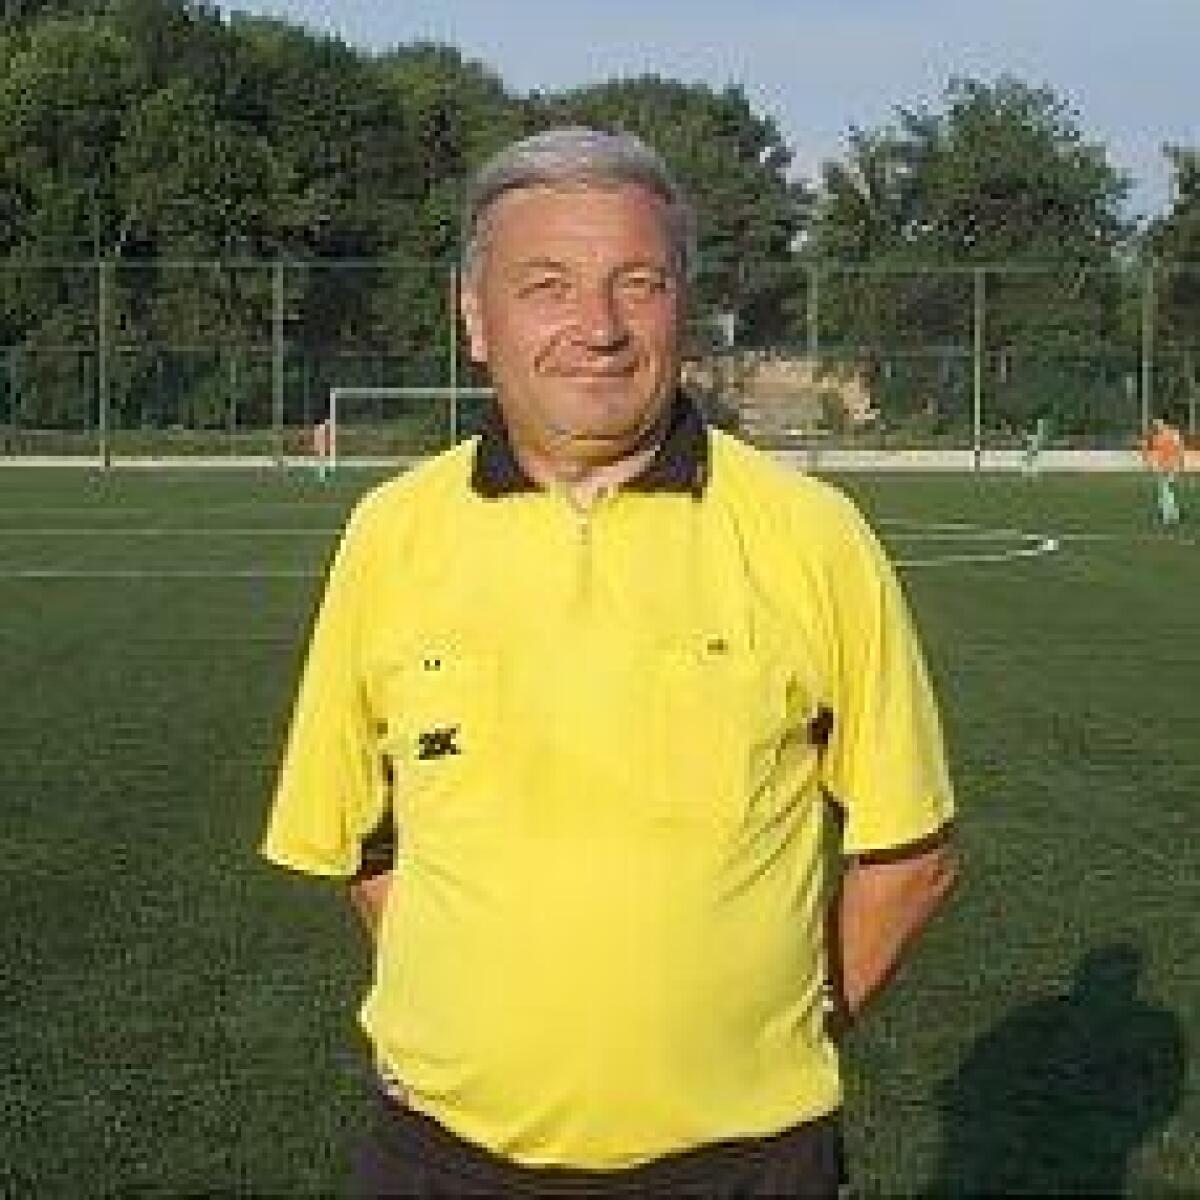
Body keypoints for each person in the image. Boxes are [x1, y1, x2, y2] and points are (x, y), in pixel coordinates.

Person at [262, 127, 959, 1199]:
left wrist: (787, 1023)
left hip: (749, 1166)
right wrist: (479, 1020)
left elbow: (911, 854)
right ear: (474, 317)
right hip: (440, 1161)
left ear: (683, 308)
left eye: (638, 283)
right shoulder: (390, 536)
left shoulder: (813, 536)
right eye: (546, 286)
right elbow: (361, 836)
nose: (597, 327)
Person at [1140, 417, 1185, 526]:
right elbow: (1156, 452)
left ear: (1163, 424)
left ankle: (1169, 515)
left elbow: (1179, 449)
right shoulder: (1157, 436)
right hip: (1163, 466)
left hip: (1170, 466)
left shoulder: (1172, 434)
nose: (1155, 427)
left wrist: (1178, 463)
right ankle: (1169, 513)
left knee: (1166, 490)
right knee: (1165, 490)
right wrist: (1151, 462)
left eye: (1157, 425)